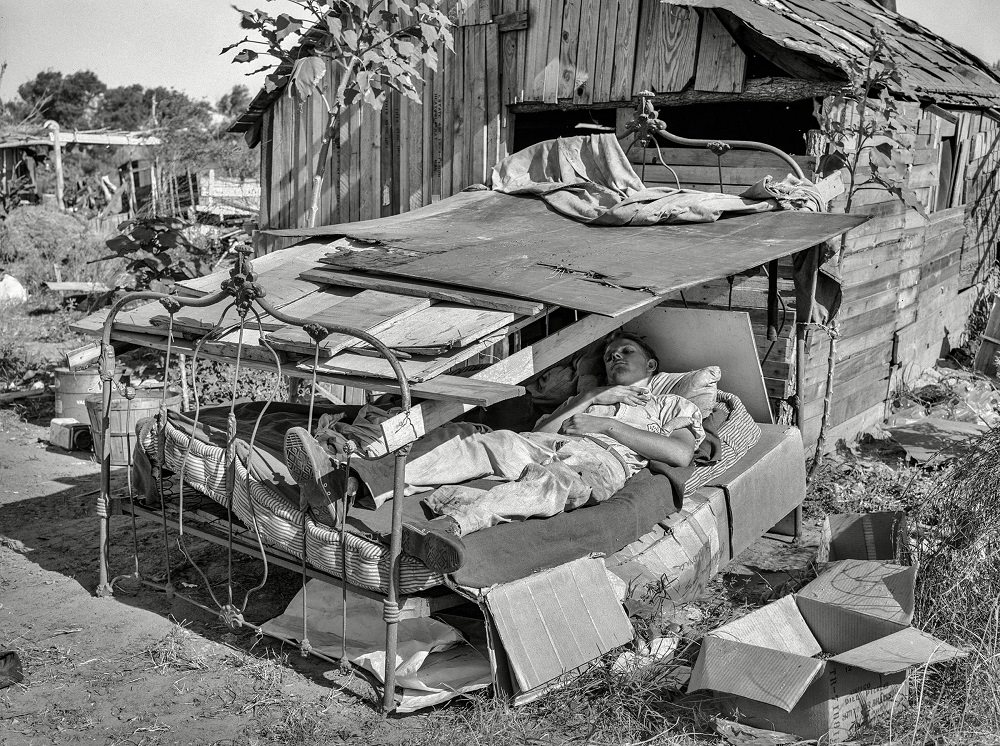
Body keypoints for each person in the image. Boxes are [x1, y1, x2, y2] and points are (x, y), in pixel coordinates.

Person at [284, 332, 704, 573]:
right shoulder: (593, 393)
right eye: (611, 355)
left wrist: (608, 424)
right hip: (550, 442)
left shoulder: (672, 405)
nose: (615, 357)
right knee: (474, 436)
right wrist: (592, 395)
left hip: (601, 460)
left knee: (552, 483)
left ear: (651, 366)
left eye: (626, 352)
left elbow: (680, 455)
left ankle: (449, 529)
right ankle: (348, 482)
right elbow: (541, 431)